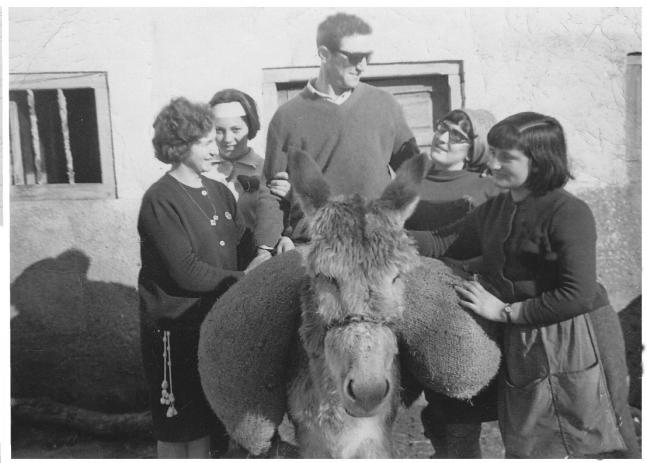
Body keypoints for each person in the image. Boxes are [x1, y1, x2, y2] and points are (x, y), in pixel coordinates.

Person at [410, 112, 639, 458]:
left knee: (600, 435)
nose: (493, 163)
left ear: (538, 161)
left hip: (578, 334)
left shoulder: (569, 213)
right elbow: (441, 241)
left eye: (506, 157)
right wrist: (377, 232)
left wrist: (503, 311)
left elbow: (576, 294)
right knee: (531, 444)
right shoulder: (497, 209)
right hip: (524, 338)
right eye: (493, 152)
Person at [138, 97, 259, 458]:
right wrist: (244, 279)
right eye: (205, 142)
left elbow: (244, 244)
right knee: (179, 428)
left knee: (210, 423)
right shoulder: (160, 199)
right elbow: (186, 272)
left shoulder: (219, 191)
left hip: (215, 323)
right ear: (179, 146)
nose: (215, 149)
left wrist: (270, 249)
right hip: (176, 330)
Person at [254, 12, 419, 251]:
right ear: (324, 54)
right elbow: (271, 192)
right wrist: (264, 248)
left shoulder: (385, 104)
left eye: (367, 56)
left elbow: (413, 174)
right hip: (316, 246)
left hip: (377, 244)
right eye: (354, 57)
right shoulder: (287, 116)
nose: (362, 66)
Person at [408, 108, 502, 459]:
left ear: (475, 149)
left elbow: (495, 252)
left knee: (457, 418)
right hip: (408, 307)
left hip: (457, 314)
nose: (443, 138)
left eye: (458, 136)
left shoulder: (487, 189)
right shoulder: (409, 182)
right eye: (442, 128)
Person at [207, 89, 293, 267]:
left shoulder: (267, 171)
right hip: (211, 263)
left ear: (250, 127)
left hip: (255, 262)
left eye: (236, 129)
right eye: (219, 130)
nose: (228, 138)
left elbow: (281, 221)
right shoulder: (202, 170)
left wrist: (290, 199)